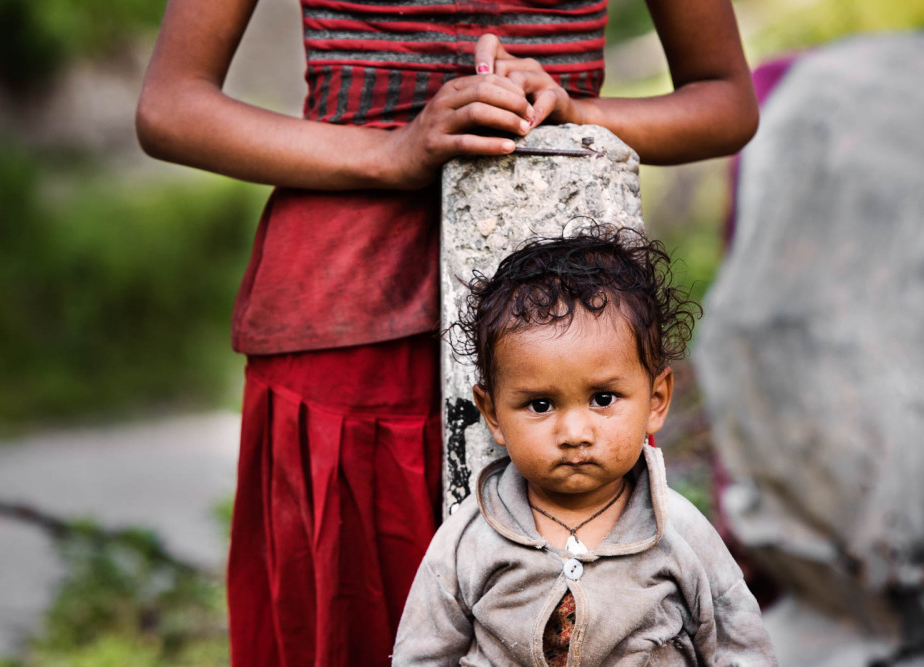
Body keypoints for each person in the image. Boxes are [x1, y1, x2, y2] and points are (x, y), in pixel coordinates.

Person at [135, 1, 759, 664]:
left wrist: (579, 111)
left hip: (569, 325)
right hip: (352, 333)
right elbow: (172, 106)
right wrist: (389, 152)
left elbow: (725, 100)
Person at [393, 225, 776, 666]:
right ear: (493, 413)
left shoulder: (679, 531)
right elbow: (421, 653)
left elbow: (740, 648)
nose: (575, 433)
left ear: (656, 401)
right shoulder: (470, 537)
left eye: (603, 399)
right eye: (540, 405)